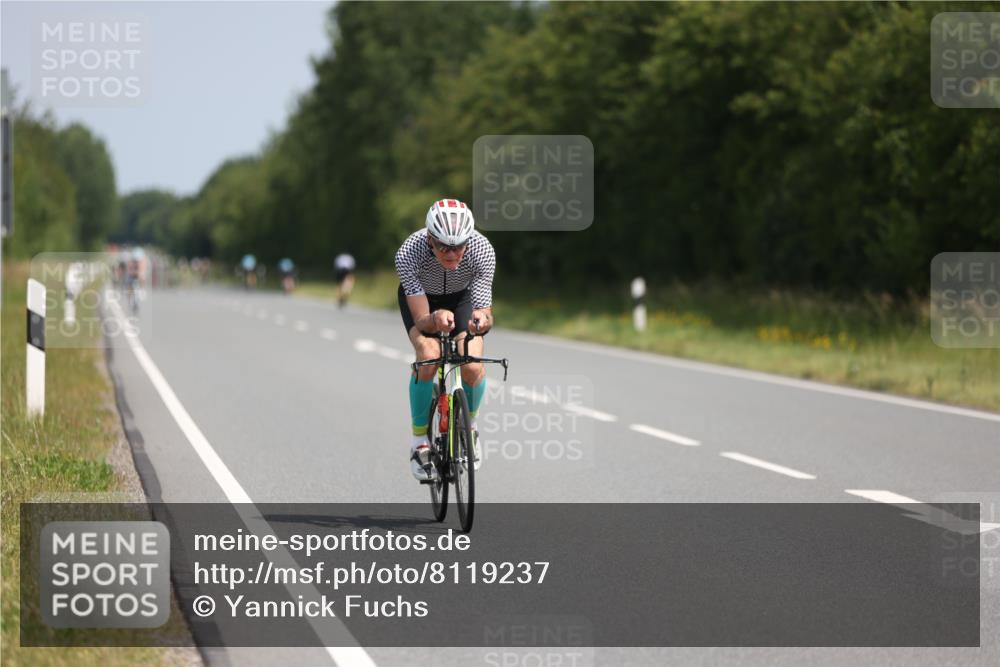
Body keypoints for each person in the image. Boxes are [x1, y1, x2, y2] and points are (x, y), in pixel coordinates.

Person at [395, 199, 495, 481]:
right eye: (443, 247)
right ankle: (419, 442)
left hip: (461, 298)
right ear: (430, 238)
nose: (452, 254)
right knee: (429, 355)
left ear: (468, 240)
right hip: (422, 302)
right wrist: (435, 318)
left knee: (472, 363)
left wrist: (481, 321)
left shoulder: (482, 249)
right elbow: (421, 320)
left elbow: (485, 312)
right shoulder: (409, 253)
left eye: (459, 246)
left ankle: (469, 428)